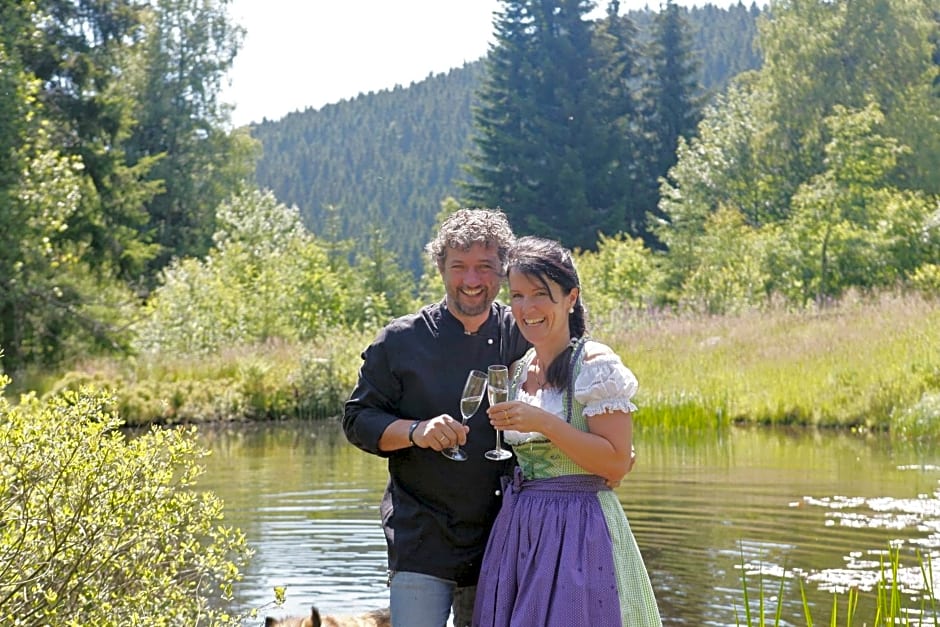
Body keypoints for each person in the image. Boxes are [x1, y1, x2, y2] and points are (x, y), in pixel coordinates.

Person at [343, 208, 530, 627]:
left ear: (503, 270)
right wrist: (414, 431)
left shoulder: (522, 334)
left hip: (502, 538)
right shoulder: (400, 340)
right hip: (419, 537)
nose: (471, 280)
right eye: (458, 267)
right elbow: (358, 420)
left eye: (485, 267)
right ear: (440, 267)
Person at [473, 236, 662, 627]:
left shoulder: (594, 364)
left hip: (581, 530)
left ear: (571, 297)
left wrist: (543, 422)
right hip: (522, 528)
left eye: (540, 294)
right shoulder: (519, 370)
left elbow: (615, 463)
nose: (527, 308)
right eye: (518, 296)